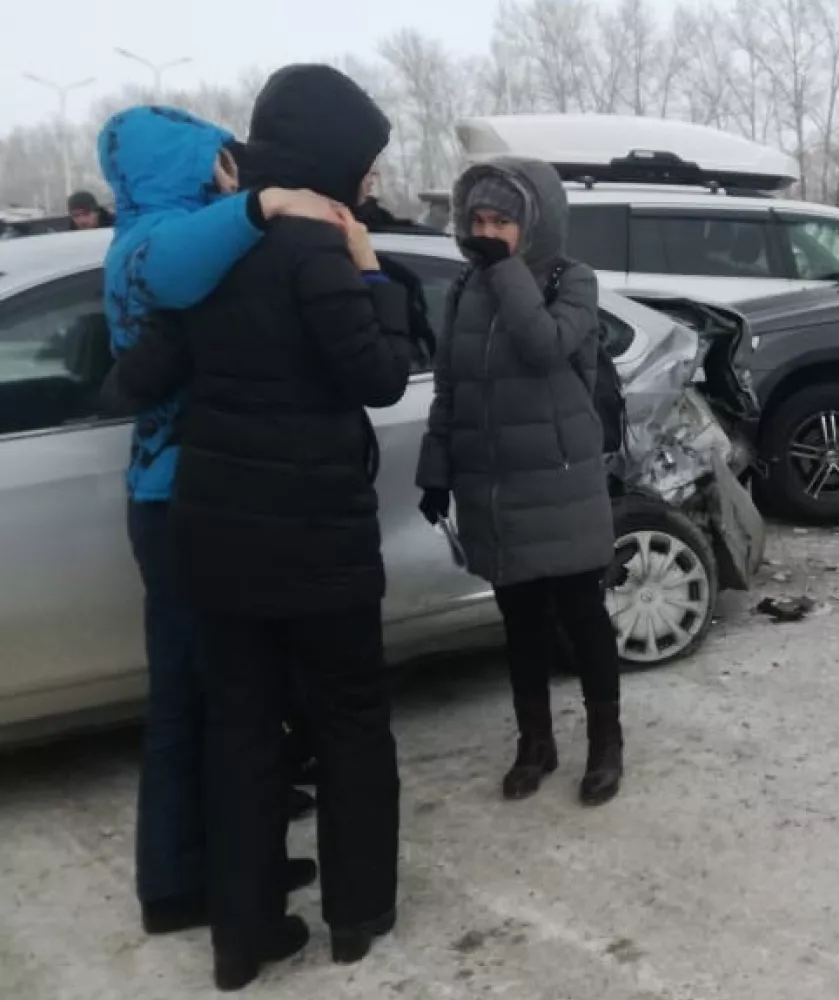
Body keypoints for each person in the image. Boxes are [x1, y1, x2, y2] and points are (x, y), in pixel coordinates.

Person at [145, 64, 412, 990]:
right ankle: (357, 912)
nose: (369, 184)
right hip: (320, 545)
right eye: (365, 165)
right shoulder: (322, 255)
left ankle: (241, 938)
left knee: (241, 730)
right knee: (348, 722)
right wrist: (373, 271)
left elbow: (144, 369)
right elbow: (378, 376)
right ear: (331, 157)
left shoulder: (212, 252)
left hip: (216, 541)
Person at [96, 104, 351, 938]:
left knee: (196, 698)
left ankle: (187, 879)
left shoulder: (140, 230)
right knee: (217, 702)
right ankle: (215, 883)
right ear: (191, 165)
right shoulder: (157, 242)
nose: (230, 168)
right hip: (183, 500)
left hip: (166, 494)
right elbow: (177, 274)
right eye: (218, 158)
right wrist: (265, 207)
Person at [414, 156, 624, 808]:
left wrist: (505, 270)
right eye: (477, 218)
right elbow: (452, 385)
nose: (486, 231)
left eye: (501, 220)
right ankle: (536, 743)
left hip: (559, 482)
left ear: (533, 223)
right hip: (494, 484)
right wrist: (437, 470)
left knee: (583, 619)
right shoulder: (463, 290)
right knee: (521, 624)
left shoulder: (573, 281)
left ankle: (606, 743)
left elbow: (543, 346)